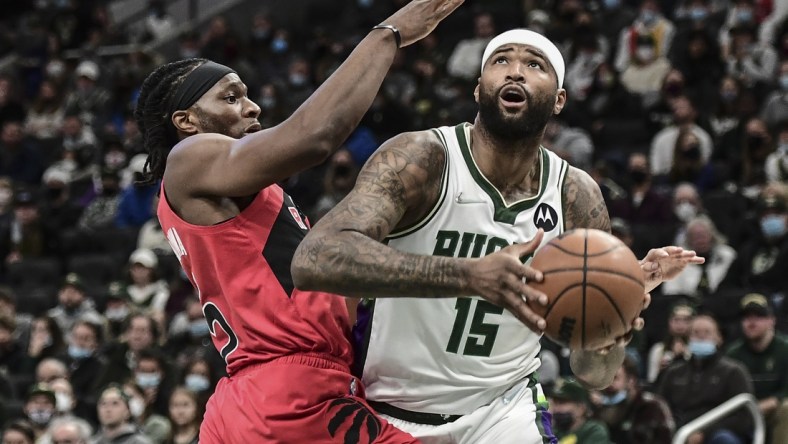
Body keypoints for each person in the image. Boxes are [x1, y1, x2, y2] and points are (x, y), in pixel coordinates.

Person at [292, 28, 702, 443]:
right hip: (387, 409)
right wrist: (467, 276)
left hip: (504, 413)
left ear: (559, 99)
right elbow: (315, 258)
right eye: (501, 60)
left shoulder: (575, 194)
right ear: (478, 89)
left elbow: (593, 374)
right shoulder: (423, 158)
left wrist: (611, 321)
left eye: (534, 64)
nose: (515, 72)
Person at [135, 0, 464, 442]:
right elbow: (315, 136)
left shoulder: (241, 194)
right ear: (186, 121)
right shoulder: (188, 158)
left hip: (261, 397)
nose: (251, 108)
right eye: (231, 97)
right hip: (290, 395)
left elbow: (316, 293)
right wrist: (388, 34)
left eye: (247, 95)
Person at [657, 314, 754, 444]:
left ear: (719, 338)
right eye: (696, 333)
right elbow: (660, 408)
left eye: (707, 332)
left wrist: (705, 432)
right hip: (680, 431)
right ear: (688, 338)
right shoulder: (673, 372)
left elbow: (744, 417)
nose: (701, 337)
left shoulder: (733, 371)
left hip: (718, 432)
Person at [725, 293, 788, 444]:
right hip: (743, 413)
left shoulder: (785, 349)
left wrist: (774, 401)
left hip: (774, 410)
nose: (751, 322)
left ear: (772, 320)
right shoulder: (733, 353)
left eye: (759, 316)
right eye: (747, 317)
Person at [594, 356, 674, 443]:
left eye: (615, 378)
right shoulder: (600, 410)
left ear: (631, 381)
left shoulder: (653, 407)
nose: (608, 385)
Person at [549, 377, 611, 443]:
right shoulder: (553, 431)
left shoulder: (594, 431)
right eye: (555, 403)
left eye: (562, 403)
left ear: (580, 409)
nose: (556, 409)